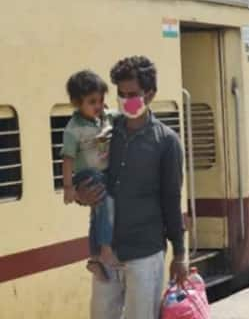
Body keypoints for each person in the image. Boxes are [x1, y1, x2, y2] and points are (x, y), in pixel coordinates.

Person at [75, 56, 187, 319]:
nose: (126, 101)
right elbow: (87, 174)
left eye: (133, 94)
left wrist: (180, 254)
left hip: (145, 253)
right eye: (121, 95)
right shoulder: (104, 134)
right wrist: (81, 194)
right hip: (107, 253)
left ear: (150, 94)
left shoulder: (167, 142)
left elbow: (172, 200)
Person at [61, 70, 117, 280]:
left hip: (103, 173)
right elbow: (67, 159)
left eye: (101, 100)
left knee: (97, 212)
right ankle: (105, 249)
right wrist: (69, 188)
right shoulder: (73, 130)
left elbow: (120, 117)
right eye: (92, 101)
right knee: (104, 202)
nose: (99, 105)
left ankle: (95, 257)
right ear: (77, 103)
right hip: (87, 175)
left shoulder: (104, 118)